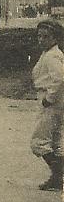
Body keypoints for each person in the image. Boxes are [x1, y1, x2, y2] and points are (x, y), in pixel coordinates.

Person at [31, 20, 64, 191]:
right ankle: (58, 178)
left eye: (46, 37)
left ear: (55, 38)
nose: (41, 40)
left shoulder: (51, 56)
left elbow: (59, 78)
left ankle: (58, 176)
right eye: (39, 36)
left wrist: (49, 98)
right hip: (57, 101)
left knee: (39, 142)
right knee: (55, 141)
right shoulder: (51, 53)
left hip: (50, 101)